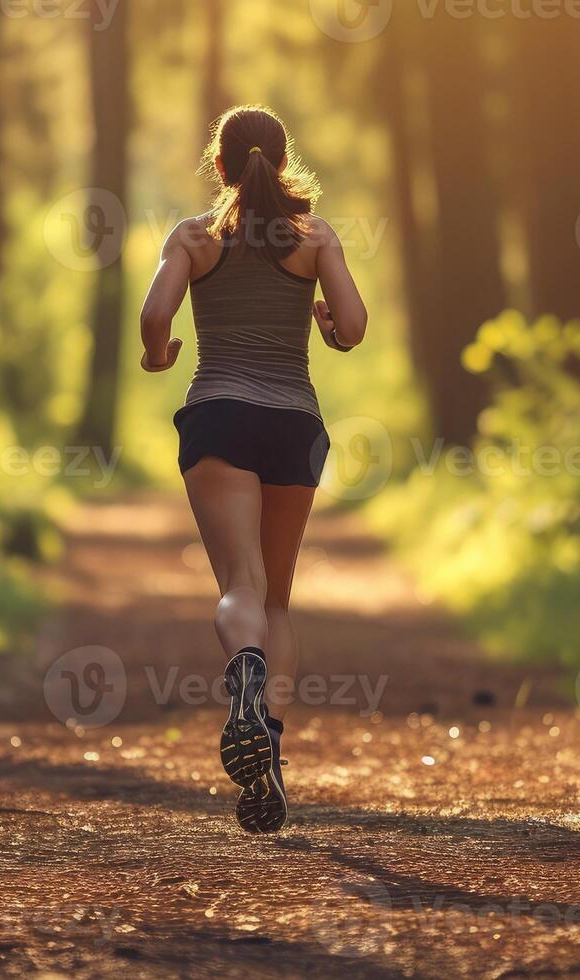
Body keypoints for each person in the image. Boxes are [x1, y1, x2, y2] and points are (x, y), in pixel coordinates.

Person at [138, 105, 368, 833]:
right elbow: (352, 328)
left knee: (240, 587)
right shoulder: (314, 237)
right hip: (293, 427)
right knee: (277, 601)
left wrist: (156, 356)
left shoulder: (194, 238)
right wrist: (327, 325)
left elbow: (154, 315)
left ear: (221, 166)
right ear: (281, 161)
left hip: (220, 416)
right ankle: (265, 737)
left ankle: (244, 671)